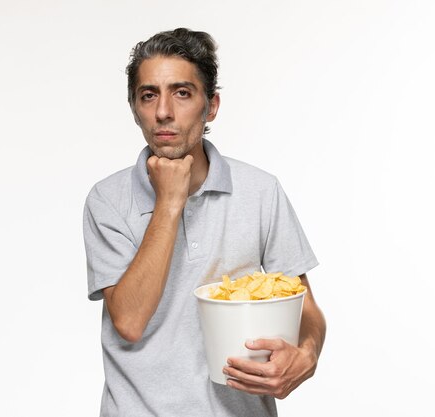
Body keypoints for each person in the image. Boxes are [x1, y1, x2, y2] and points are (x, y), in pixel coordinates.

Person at [83, 28, 326, 417]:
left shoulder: (260, 191)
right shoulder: (107, 201)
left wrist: (306, 355)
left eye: (182, 93)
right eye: (149, 95)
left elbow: (306, 308)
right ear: (134, 108)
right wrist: (168, 203)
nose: (163, 111)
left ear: (211, 106)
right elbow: (128, 321)